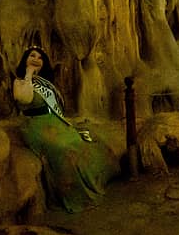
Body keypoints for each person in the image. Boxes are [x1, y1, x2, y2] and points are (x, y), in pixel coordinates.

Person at [12, 45, 117, 213]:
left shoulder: (46, 85)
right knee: (65, 150)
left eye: (40, 58)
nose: (35, 59)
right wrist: (29, 74)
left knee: (87, 140)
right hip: (36, 126)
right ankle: (76, 196)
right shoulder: (19, 82)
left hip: (55, 123)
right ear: (25, 59)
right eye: (32, 56)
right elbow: (24, 99)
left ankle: (96, 181)